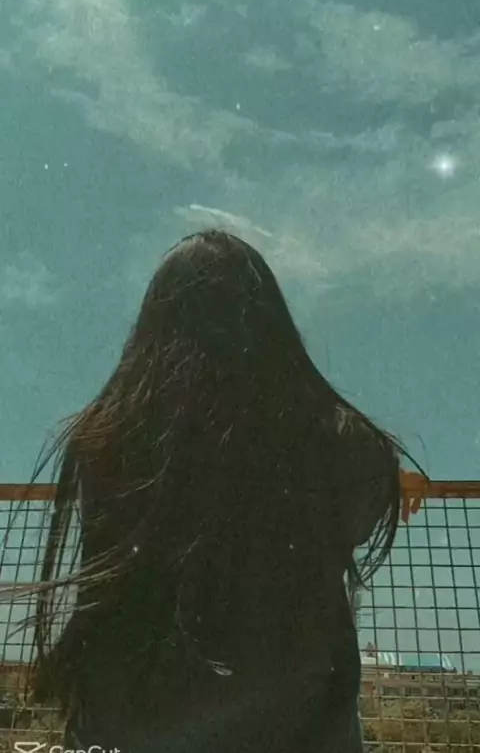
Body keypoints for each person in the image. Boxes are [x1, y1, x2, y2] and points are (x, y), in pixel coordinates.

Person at [27, 229, 422, 752]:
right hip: (296, 727)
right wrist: (388, 474)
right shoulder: (331, 443)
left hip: (126, 722)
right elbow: (356, 497)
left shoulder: (107, 441)